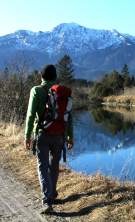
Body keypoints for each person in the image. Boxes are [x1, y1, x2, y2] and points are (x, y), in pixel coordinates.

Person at [24, 64, 73, 214]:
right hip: (59, 135)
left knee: (42, 166)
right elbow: (69, 116)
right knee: (54, 165)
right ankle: (52, 194)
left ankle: (47, 201)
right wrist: (70, 136)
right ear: (55, 77)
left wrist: (27, 135)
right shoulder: (61, 92)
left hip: (42, 134)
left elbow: (31, 115)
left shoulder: (36, 90)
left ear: (41, 77)